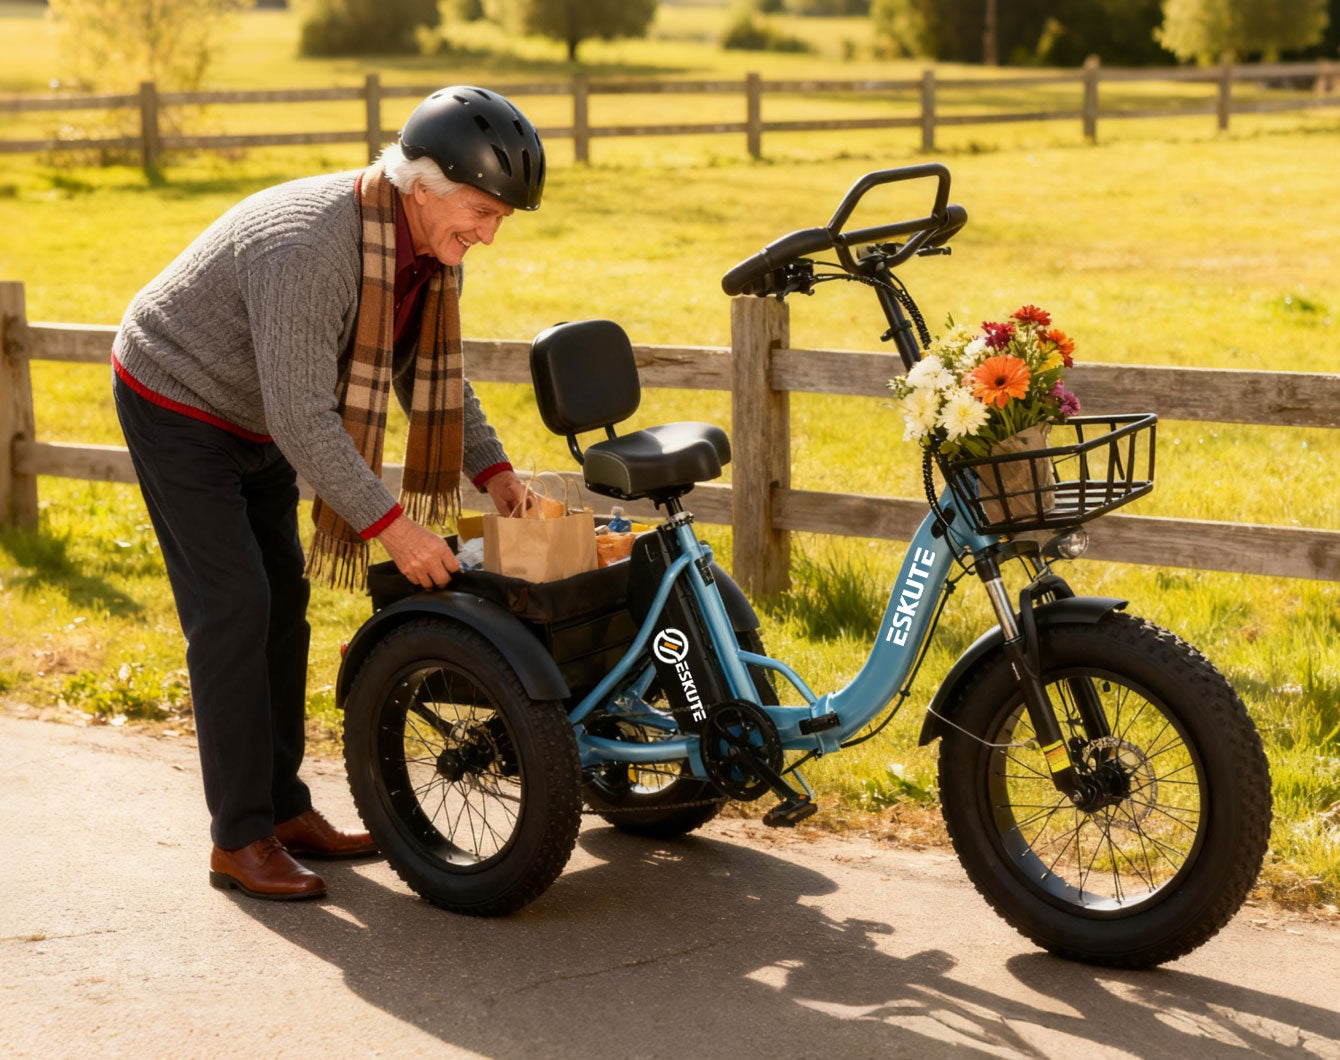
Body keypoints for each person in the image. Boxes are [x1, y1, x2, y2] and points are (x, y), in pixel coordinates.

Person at [110, 86, 544, 902]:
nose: (488, 234)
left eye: (501, 219)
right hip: (176, 396)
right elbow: (304, 414)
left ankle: (283, 808)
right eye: (481, 212)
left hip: (259, 414)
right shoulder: (310, 247)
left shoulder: (416, 254)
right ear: (423, 186)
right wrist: (395, 530)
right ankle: (239, 839)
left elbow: (424, 371)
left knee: (284, 602)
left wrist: (494, 470)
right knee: (234, 607)